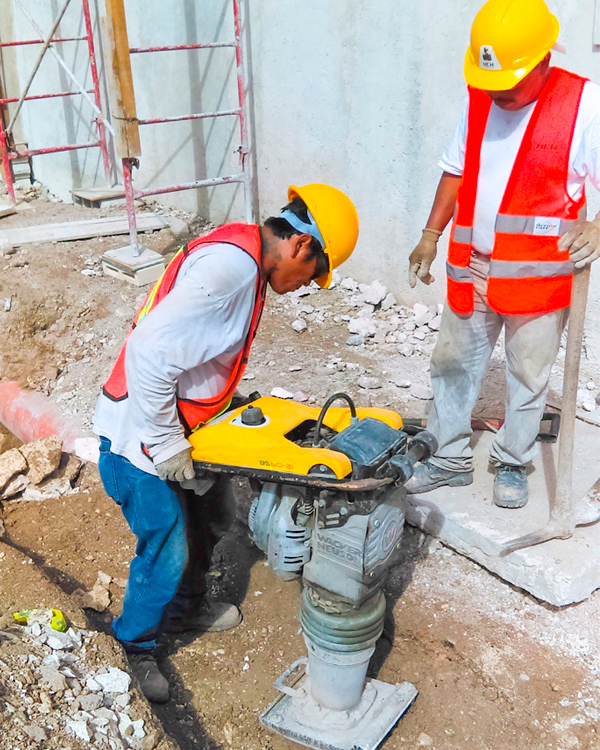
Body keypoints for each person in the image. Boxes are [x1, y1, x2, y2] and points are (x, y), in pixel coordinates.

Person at [92, 183, 359, 702]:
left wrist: (227, 405)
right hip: (140, 436)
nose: (307, 285)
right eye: (313, 274)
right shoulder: (231, 273)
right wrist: (167, 443)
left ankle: (188, 605)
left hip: (183, 424)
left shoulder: (246, 255)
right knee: (167, 542)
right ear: (302, 247)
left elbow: (197, 348)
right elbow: (149, 350)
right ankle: (136, 644)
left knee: (213, 512)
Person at [406, 0, 600, 508]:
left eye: (509, 85)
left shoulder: (584, 105)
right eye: (492, 85)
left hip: (538, 279)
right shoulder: (481, 96)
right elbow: (456, 167)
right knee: (452, 363)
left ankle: (513, 460)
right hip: (472, 266)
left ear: (542, 61)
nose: (499, 95)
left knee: (528, 375)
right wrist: (431, 233)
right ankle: (448, 458)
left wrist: (598, 226)